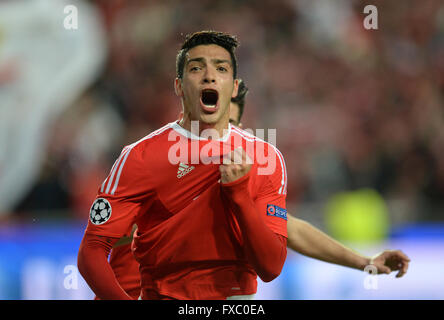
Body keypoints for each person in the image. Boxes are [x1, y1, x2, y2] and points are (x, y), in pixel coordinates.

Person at [94, 78, 410, 300]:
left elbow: (289, 228)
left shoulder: (240, 174)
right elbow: (102, 237)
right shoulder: (154, 163)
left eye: (228, 126)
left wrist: (365, 262)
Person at [78, 30, 288, 300]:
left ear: (234, 87)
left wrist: (239, 195)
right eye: (196, 68)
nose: (209, 76)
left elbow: (271, 267)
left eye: (221, 68)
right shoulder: (140, 156)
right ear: (179, 86)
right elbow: (92, 250)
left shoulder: (265, 157)